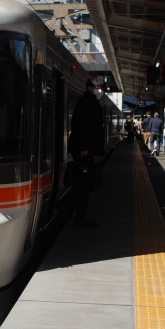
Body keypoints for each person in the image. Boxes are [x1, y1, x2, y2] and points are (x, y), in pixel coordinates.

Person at [66, 79, 104, 227]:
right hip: (83, 150)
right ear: (90, 87)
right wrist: (84, 147)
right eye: (97, 87)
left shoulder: (90, 101)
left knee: (84, 184)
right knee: (85, 184)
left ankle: (80, 216)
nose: (100, 90)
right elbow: (82, 126)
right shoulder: (86, 102)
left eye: (101, 88)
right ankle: (67, 205)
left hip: (86, 148)